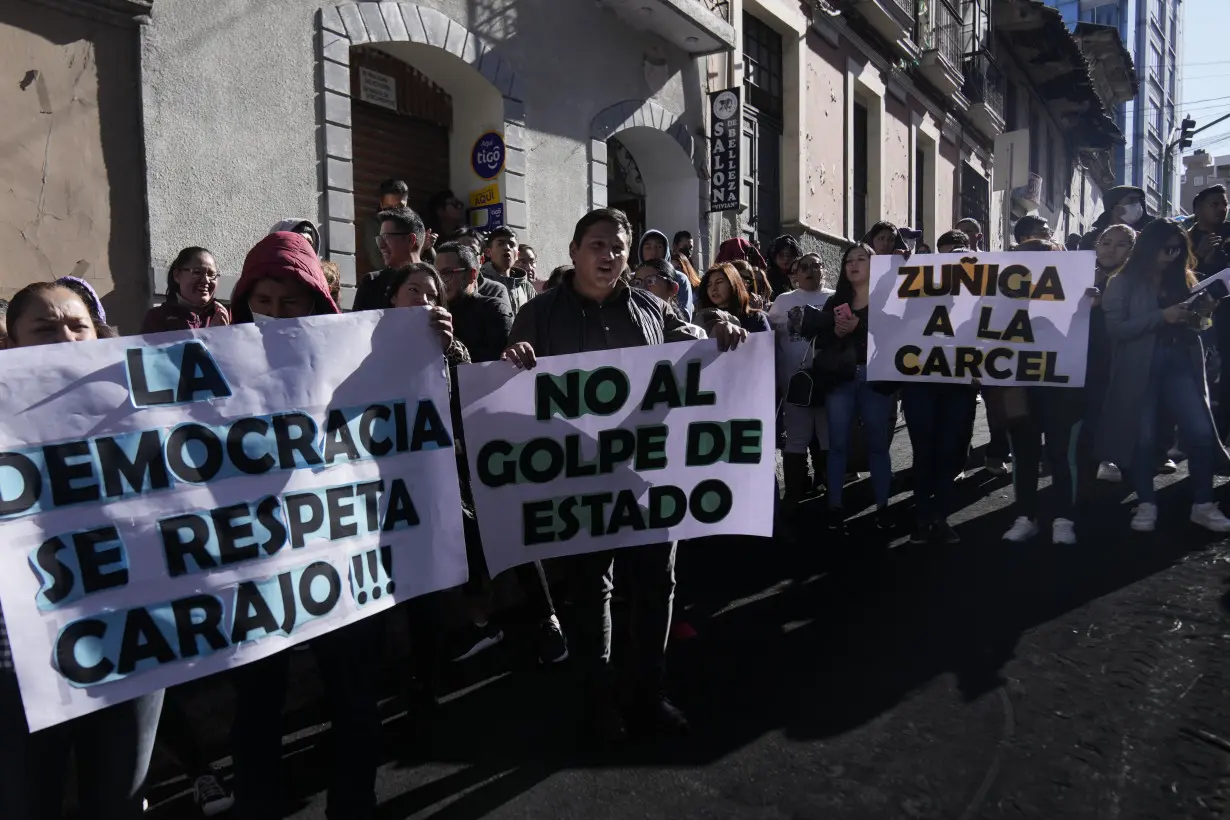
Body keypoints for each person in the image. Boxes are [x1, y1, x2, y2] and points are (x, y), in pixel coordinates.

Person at [227, 231, 452, 819]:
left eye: (292, 302)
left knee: (354, 697)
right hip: (260, 567)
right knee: (255, 707)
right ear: (246, 299)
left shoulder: (354, 359)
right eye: (265, 302)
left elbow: (406, 419)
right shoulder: (215, 366)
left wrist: (430, 352)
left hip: (341, 558)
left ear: (317, 303)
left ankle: (354, 804)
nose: (276, 315)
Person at [501, 207, 747, 742]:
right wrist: (512, 358)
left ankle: (649, 694)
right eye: (597, 245)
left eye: (617, 247)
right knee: (591, 595)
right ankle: (599, 701)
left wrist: (716, 322)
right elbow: (508, 388)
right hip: (579, 484)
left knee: (656, 587)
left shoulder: (651, 309)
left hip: (649, 480)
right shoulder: (539, 315)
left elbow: (697, 335)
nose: (609, 256)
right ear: (573, 250)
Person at [0, 282, 165, 820]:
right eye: (45, 329)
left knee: (119, 797)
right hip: (20, 656)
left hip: (131, 639)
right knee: (27, 798)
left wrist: (431, 348)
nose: (66, 338)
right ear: (12, 342)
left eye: (78, 326)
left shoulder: (142, 407)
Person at [1097, 220, 1230, 533]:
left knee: (1199, 433)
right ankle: (1146, 502)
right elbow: (1116, 329)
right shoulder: (1122, 281)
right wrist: (1163, 316)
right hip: (1138, 365)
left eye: (1178, 250)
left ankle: (1203, 504)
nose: (1171, 256)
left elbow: (1199, 327)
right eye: (1166, 249)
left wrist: (1203, 312)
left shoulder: (1183, 278)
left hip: (1180, 361)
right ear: (1149, 248)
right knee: (1142, 439)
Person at [788, 243, 895, 531]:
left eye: (862, 259)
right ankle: (835, 506)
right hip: (840, 380)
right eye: (849, 260)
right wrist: (834, 332)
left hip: (876, 377)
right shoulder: (835, 301)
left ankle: (883, 506)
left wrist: (859, 327)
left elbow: (895, 336)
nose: (854, 264)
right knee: (837, 445)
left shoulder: (888, 299)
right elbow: (818, 343)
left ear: (875, 266)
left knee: (877, 444)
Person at [997, 239, 1086, 545]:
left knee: (1062, 456)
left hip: (1063, 391)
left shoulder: (1078, 297)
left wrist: (1091, 306)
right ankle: (1026, 517)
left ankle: (1064, 518)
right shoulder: (1002, 299)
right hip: (1021, 388)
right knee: (1024, 456)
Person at [769, 253, 835, 506]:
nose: (810, 271)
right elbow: (768, 335)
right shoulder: (783, 302)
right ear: (795, 275)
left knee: (828, 437)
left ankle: (832, 493)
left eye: (815, 265)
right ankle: (794, 495)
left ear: (823, 270)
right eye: (803, 267)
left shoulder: (834, 298)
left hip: (829, 383)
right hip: (794, 385)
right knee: (796, 438)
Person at [1085, 225, 1136, 485]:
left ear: (1131, 251)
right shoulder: (1078, 274)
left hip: (1114, 357)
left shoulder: (1133, 281)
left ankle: (1109, 457)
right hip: (1081, 359)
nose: (1110, 249)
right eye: (1106, 242)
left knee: (1109, 407)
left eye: (1120, 244)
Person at [141, 246, 232, 333]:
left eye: (212, 274)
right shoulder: (158, 317)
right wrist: (211, 334)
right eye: (197, 272)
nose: (206, 280)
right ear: (177, 275)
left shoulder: (227, 314)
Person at [695, 263, 771, 333]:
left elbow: (765, 345)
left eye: (719, 282)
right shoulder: (702, 319)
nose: (713, 288)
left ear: (733, 284)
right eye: (709, 285)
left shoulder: (755, 318)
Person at [1080, 185, 1154, 251]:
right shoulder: (1091, 239)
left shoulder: (1147, 236)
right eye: (1132, 200)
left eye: (1140, 200)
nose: (1138, 204)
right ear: (1116, 208)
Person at [640, 229, 693, 318]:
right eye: (648, 247)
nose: (653, 253)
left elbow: (685, 318)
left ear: (666, 250)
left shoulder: (680, 279)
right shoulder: (634, 279)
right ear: (641, 252)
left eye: (659, 247)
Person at [482, 226, 535, 312]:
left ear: (517, 255)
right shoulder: (480, 282)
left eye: (511, 244)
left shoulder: (525, 286)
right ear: (488, 252)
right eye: (501, 243)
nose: (507, 247)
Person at [363, 179, 409, 270]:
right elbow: (379, 263)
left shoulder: (412, 223)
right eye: (389, 208)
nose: (395, 213)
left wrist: (427, 247)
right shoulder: (374, 225)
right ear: (381, 204)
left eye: (400, 207)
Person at [670, 230, 702, 295]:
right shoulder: (673, 263)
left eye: (690, 248)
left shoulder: (689, 265)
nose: (688, 251)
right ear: (675, 246)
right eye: (685, 247)